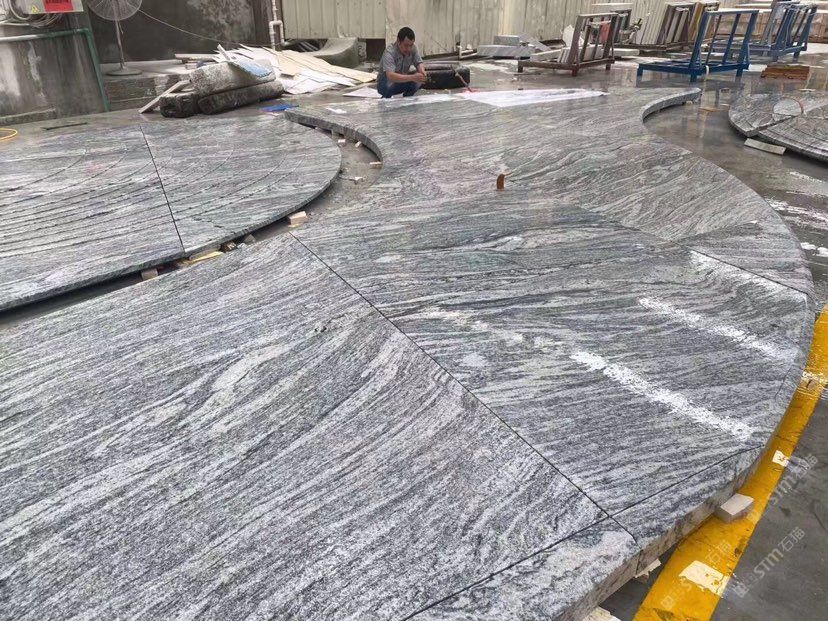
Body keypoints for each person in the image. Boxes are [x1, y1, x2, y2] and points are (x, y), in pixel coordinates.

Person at [377, 27, 427, 99]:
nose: (409, 49)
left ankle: (408, 97)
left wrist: (422, 72)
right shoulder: (390, 52)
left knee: (418, 78)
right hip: (386, 84)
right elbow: (390, 76)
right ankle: (386, 98)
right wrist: (413, 77)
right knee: (388, 81)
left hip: (402, 80)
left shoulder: (413, 48)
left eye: (411, 45)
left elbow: (418, 62)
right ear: (398, 41)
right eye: (406, 45)